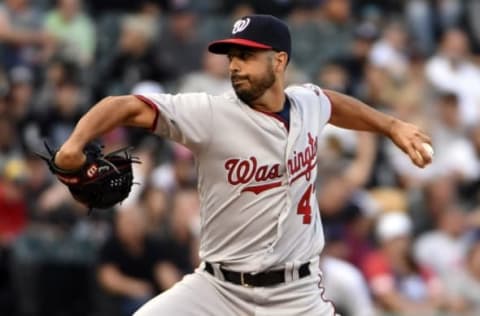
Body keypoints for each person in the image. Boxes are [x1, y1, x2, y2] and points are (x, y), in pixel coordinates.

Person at [53, 14, 432, 316]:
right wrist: (73, 146)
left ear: (279, 60)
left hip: (296, 295)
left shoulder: (307, 103)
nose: (235, 66)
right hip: (217, 290)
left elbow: (333, 103)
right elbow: (127, 105)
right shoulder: (210, 113)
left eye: (246, 56)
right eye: (232, 56)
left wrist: (391, 125)